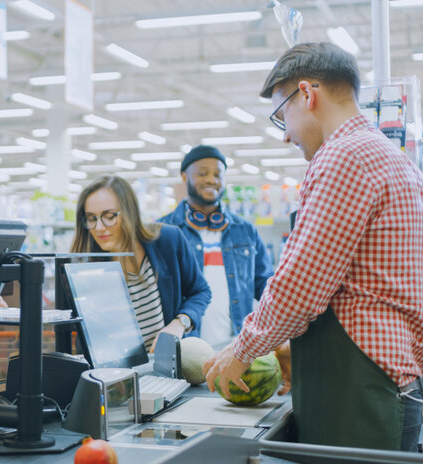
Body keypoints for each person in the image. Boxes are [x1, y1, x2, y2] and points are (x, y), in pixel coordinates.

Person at [204, 42, 423, 452]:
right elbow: (362, 285)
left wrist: (244, 349)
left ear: (307, 94)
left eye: (281, 115)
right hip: (389, 379)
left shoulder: (344, 156)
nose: (286, 134)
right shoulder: (392, 159)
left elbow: (300, 285)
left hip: (360, 391)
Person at [70, 175, 211, 352]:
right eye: (91, 218)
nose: (99, 227)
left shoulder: (168, 240)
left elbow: (200, 291)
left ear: (129, 213)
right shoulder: (88, 269)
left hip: (170, 367)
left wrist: (179, 323)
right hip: (118, 373)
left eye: (109, 216)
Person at [159, 145, 274, 348]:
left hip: (237, 346)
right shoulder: (164, 231)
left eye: (218, 174)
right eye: (203, 173)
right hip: (186, 346)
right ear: (185, 177)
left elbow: (265, 286)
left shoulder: (245, 230)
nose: (211, 179)